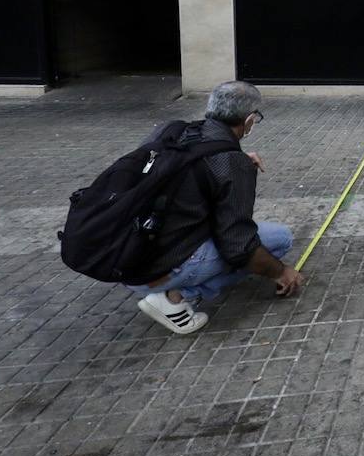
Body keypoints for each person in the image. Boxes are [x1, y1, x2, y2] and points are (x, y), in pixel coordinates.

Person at [124, 81, 302, 335]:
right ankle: (176, 297)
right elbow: (238, 245)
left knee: (267, 238)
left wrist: (239, 161)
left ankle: (170, 284)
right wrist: (281, 271)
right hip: (158, 268)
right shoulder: (230, 163)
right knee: (279, 241)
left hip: (129, 253)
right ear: (249, 119)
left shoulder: (172, 132)